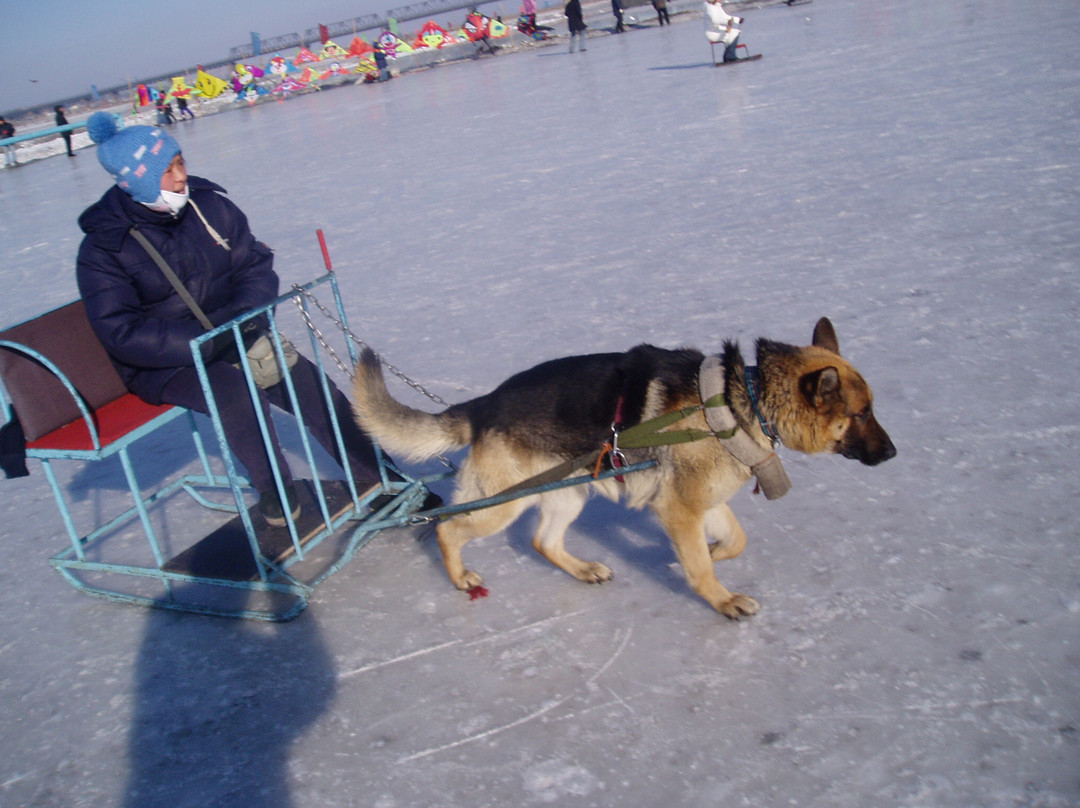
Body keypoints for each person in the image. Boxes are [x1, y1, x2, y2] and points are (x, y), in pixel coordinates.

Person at [76, 112, 391, 526]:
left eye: (180, 163)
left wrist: (245, 317)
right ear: (135, 181)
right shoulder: (105, 248)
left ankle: (382, 477)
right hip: (166, 363)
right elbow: (121, 331)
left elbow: (254, 264)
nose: (179, 178)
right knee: (233, 390)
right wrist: (206, 341)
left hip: (236, 333)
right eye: (166, 171)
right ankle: (275, 488)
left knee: (307, 383)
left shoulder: (211, 206)